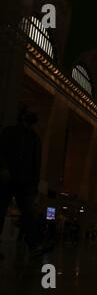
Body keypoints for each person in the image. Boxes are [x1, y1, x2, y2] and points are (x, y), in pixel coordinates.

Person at [0, 108, 52, 259]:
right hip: (7, 179)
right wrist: (3, 168)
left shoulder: (35, 138)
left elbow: (36, 164)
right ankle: (34, 245)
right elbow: (1, 151)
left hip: (25, 182)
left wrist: (35, 186)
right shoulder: (10, 132)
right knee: (0, 211)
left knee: (29, 214)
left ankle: (34, 245)